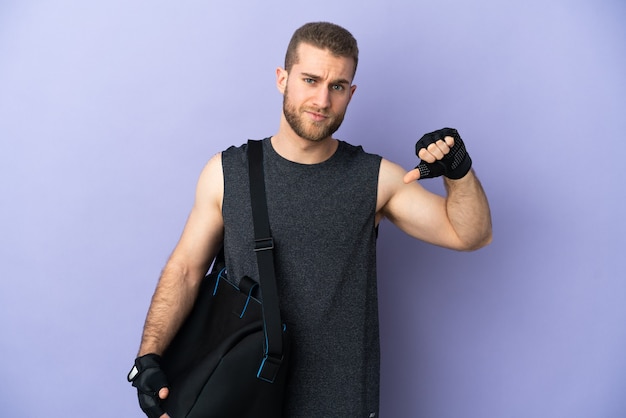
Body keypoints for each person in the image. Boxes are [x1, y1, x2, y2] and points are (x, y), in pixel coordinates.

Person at [128, 21, 492, 417]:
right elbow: (184, 269)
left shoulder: (375, 178)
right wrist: (148, 359)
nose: (322, 99)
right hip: (238, 398)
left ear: (351, 94)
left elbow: (469, 234)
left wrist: (459, 172)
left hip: (340, 403)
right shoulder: (226, 172)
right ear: (282, 78)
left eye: (337, 86)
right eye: (310, 79)